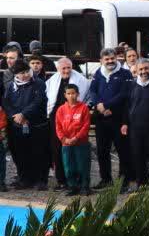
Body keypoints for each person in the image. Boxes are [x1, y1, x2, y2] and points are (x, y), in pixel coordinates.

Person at [86, 47, 133, 189]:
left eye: (112, 58)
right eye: (106, 59)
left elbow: (124, 94)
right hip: (101, 118)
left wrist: (106, 105)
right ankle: (106, 179)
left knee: (122, 151)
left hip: (118, 117)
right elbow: (92, 91)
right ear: (101, 60)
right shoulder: (98, 73)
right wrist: (98, 105)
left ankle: (123, 182)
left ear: (116, 58)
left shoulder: (125, 73)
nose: (110, 61)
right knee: (102, 151)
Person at [46, 57, 90, 192]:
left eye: (68, 68)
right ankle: (62, 181)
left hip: (76, 116)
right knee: (57, 150)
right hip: (58, 115)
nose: (66, 71)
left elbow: (85, 98)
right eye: (63, 68)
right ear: (58, 69)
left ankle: (79, 183)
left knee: (77, 155)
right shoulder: (52, 80)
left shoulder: (81, 80)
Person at [121, 59, 149, 188]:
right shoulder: (133, 85)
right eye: (140, 69)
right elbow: (127, 105)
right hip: (136, 128)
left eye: (146, 68)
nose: (143, 72)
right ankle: (142, 184)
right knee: (138, 157)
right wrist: (125, 123)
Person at [5, 60, 47, 189]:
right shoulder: (11, 86)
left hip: (35, 123)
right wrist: (15, 116)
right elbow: (6, 103)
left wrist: (24, 114)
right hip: (17, 124)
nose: (26, 75)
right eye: (22, 73)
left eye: (27, 71)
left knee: (38, 152)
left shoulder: (38, 83)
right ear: (16, 75)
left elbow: (37, 102)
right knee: (20, 153)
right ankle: (24, 179)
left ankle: (40, 180)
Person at [55, 83, 93, 196]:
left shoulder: (83, 108)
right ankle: (73, 186)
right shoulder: (61, 109)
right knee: (69, 166)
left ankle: (85, 186)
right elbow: (58, 126)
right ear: (65, 95)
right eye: (69, 93)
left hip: (81, 143)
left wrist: (76, 137)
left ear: (78, 94)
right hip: (66, 144)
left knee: (82, 165)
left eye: (73, 93)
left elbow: (86, 126)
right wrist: (63, 138)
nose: (71, 96)